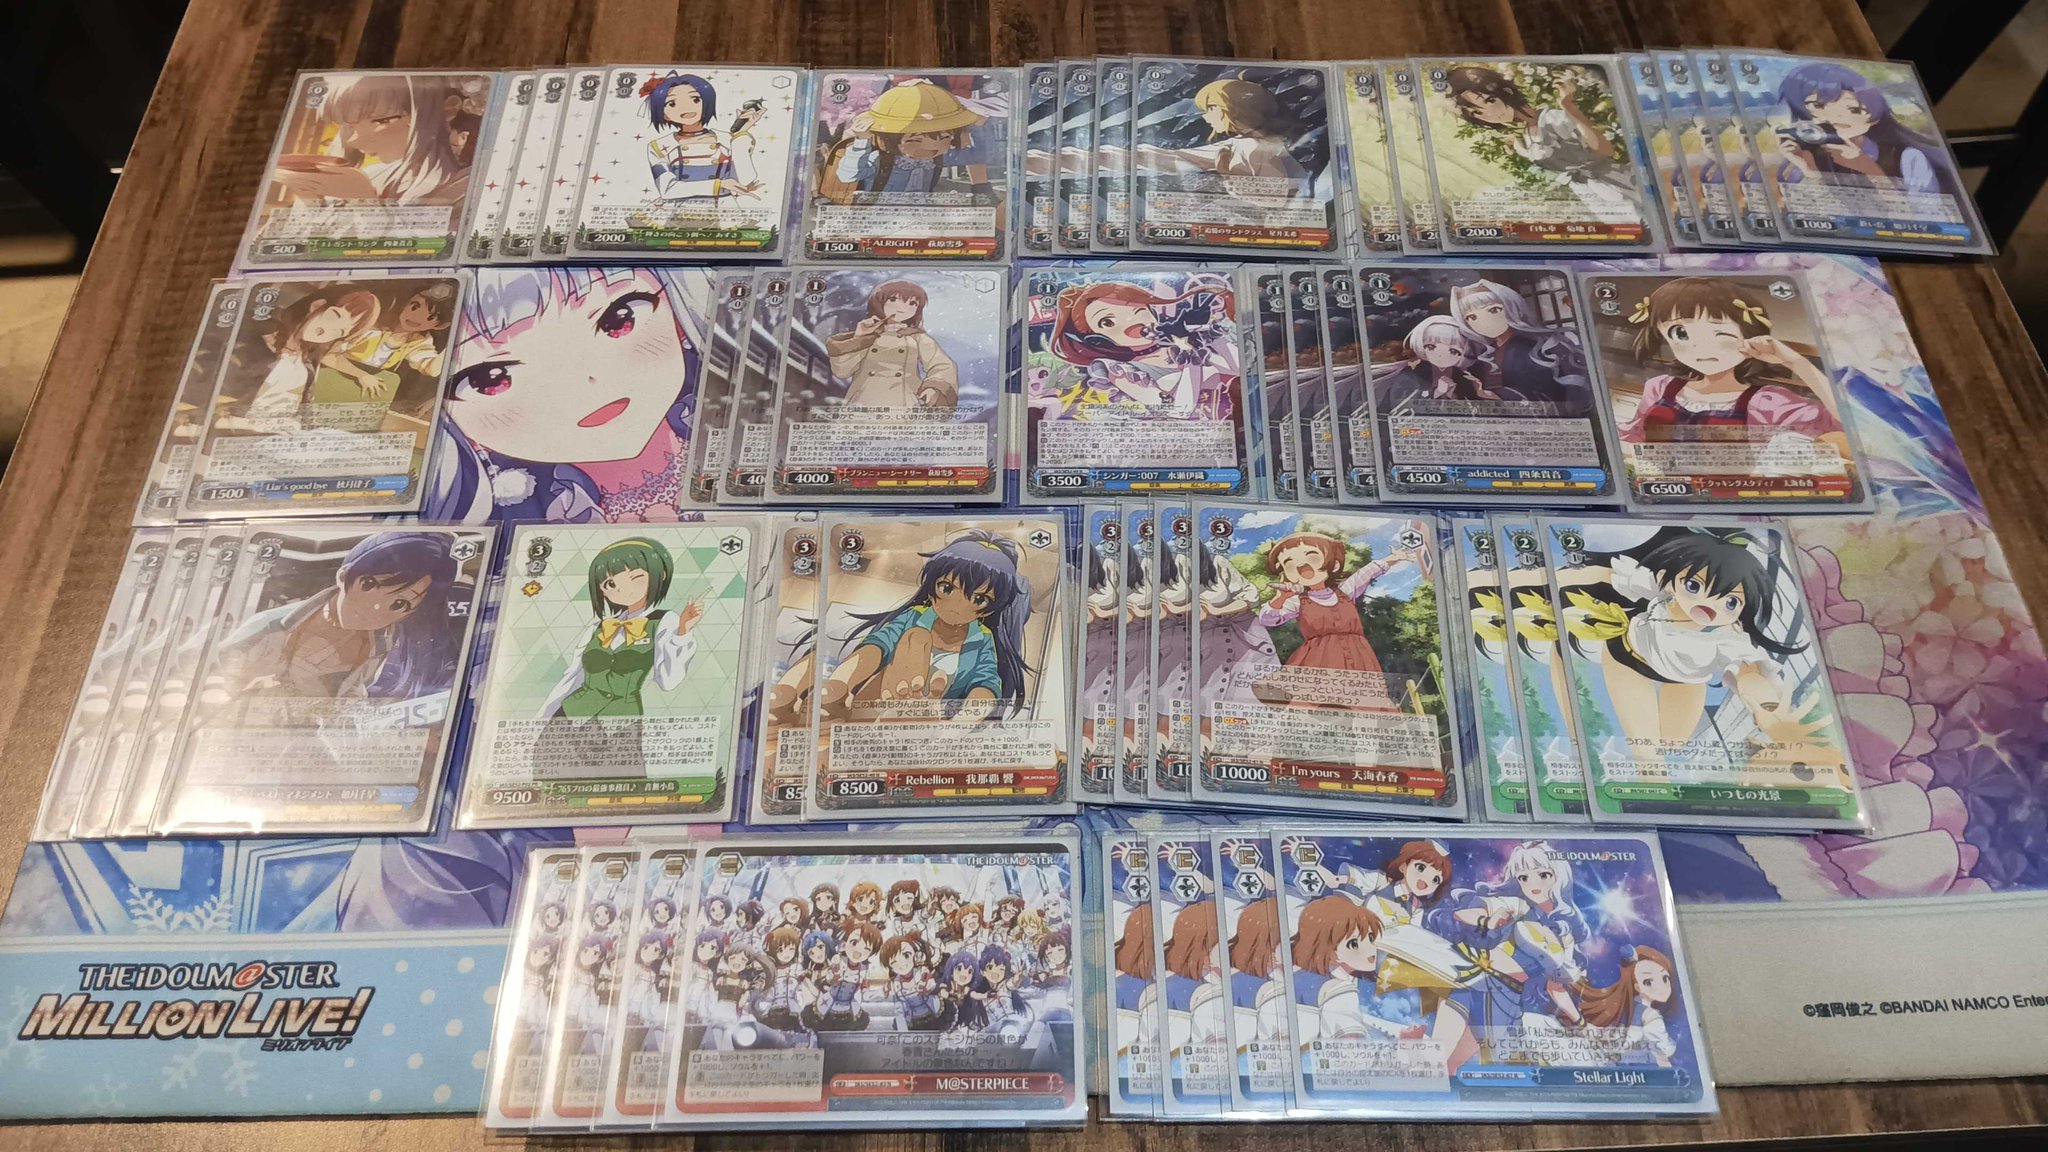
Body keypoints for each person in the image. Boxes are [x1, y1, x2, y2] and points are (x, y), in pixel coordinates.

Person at [427, 268, 700, 524]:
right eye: (491, 379)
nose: (580, 382)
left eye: (620, 319)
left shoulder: (709, 408)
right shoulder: (506, 511)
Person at [1556, 526, 1832, 757]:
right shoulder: (1664, 590)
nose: (1708, 603)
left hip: (1685, 679)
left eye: (1730, 601)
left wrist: (1767, 707)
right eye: (1694, 586)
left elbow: (1749, 673)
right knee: (1647, 753)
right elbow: (1609, 574)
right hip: (1628, 657)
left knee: (1671, 745)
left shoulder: (1729, 638)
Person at [211, 531, 466, 705]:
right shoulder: (271, 624)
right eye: (369, 585)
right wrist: (239, 693)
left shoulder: (385, 644)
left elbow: (353, 691)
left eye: (401, 604)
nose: (376, 607)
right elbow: (205, 673)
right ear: (344, 576)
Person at [1615, 277, 1845, 460]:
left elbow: (1848, 423)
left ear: (1749, 335)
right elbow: (1634, 437)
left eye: (1719, 333)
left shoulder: (1768, 402)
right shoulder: (1660, 387)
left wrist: (1796, 362)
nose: (1699, 347)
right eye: (1681, 333)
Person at [819, 529, 1033, 724]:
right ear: (931, 588)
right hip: (875, 709)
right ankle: (903, 703)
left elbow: (985, 684)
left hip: (927, 728)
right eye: (947, 588)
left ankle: (915, 711)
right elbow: (877, 647)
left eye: (979, 599)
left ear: (988, 610)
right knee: (917, 637)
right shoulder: (914, 618)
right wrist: (841, 682)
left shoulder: (982, 639)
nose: (956, 606)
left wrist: (959, 726)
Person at [539, 537, 704, 719]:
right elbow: (572, 677)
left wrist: (682, 632)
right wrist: (541, 719)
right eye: (610, 584)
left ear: (661, 575)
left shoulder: (664, 621)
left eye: (635, 577)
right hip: (570, 716)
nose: (622, 590)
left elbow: (668, 681)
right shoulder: (597, 628)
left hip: (621, 722)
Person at [272, 74, 474, 206]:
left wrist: (363, 199)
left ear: (447, 110)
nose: (353, 141)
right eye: (350, 127)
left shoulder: (468, 186)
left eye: (378, 121)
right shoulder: (371, 175)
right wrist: (312, 198)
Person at [1773, 61, 1959, 200]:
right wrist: (1810, 171)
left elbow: (1930, 221)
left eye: (1853, 109)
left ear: (1875, 116)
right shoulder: (1807, 156)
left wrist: (1867, 168)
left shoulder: (1905, 157)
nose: (1835, 117)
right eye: (1818, 106)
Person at [1445, 65, 1635, 192]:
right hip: (1593, 195)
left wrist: (1568, 106)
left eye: (1489, 101)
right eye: (1476, 113)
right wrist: (1518, 145)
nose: (1488, 113)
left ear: (1506, 91)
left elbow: (1604, 149)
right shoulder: (1526, 135)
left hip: (1616, 183)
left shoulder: (1551, 118)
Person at [1136, 74, 1308, 190]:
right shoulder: (1244, 142)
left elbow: (1276, 198)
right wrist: (1137, 156)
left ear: (1235, 109)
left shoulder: (1257, 146)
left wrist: (1228, 176)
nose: (1206, 117)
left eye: (1211, 108)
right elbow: (1184, 157)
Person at [824, 280, 958, 409]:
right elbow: (842, 372)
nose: (903, 307)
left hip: (906, 402)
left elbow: (942, 364)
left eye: (912, 303)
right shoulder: (867, 335)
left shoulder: (917, 337)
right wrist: (859, 338)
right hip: (863, 401)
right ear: (879, 302)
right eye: (893, 300)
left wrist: (933, 387)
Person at [642, 72, 763, 201]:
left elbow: (745, 179)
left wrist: (740, 134)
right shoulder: (659, 146)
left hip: (723, 208)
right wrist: (719, 185)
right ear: (664, 114)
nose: (686, 107)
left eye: (695, 99)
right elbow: (667, 190)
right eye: (672, 103)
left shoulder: (728, 140)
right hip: (679, 210)